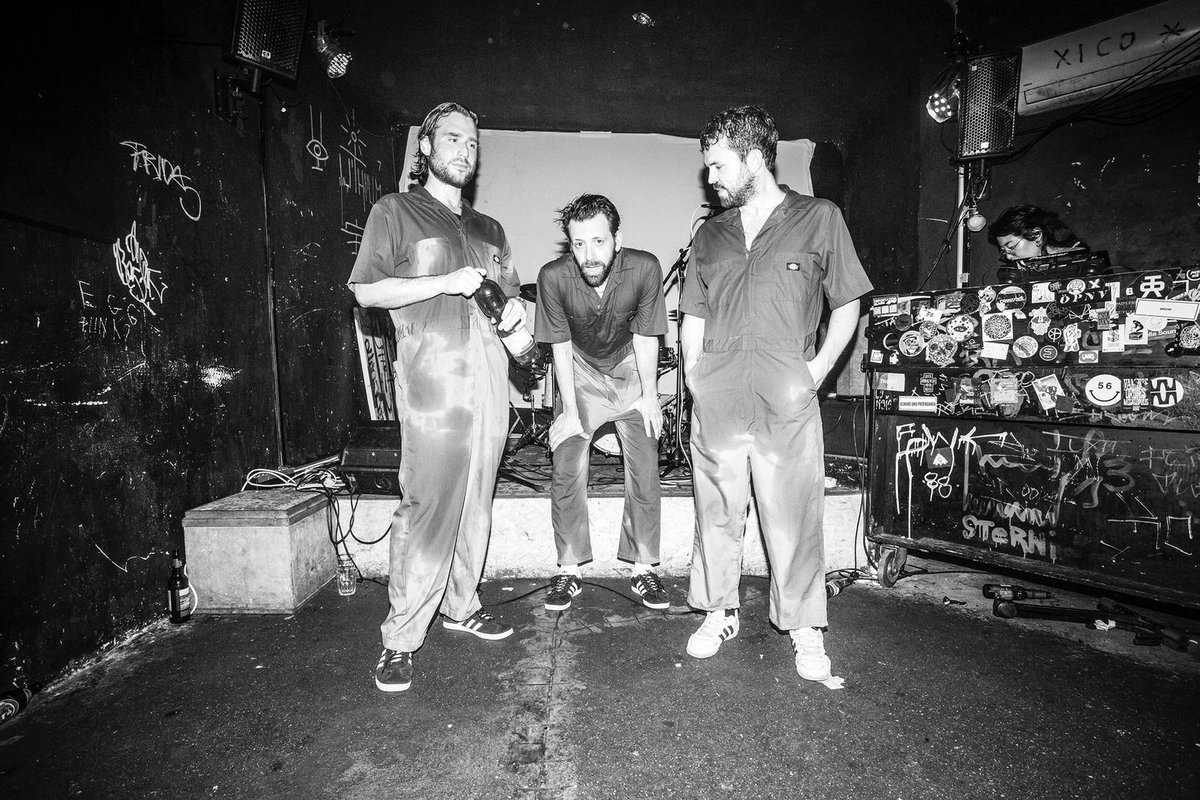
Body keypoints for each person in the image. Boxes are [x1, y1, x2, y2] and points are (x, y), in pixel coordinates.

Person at [679, 105, 873, 682]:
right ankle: (718, 611)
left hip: (785, 394)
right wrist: (693, 376)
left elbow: (847, 302)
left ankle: (804, 624)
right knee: (715, 510)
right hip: (717, 393)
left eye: (719, 165)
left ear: (754, 158)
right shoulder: (710, 234)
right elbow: (693, 314)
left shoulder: (819, 217)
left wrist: (817, 370)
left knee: (793, 513)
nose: (711, 177)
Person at [348, 101, 527, 693]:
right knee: (427, 503)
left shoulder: (490, 229)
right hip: (433, 381)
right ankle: (401, 637)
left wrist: (516, 312)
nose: (464, 150)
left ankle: (461, 604)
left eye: (472, 143)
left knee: (478, 500)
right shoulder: (394, 211)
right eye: (452, 139)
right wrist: (444, 282)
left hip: (491, 378)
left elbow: (508, 293)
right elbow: (367, 292)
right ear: (425, 147)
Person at [534, 194, 671, 611]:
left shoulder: (645, 268)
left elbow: (646, 336)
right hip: (578, 368)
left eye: (598, 241)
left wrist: (650, 397)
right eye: (579, 244)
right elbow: (559, 345)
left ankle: (643, 567)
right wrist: (570, 412)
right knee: (566, 458)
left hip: (629, 364)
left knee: (645, 459)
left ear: (617, 240)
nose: (589, 255)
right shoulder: (553, 277)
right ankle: (569, 568)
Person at [987, 204, 1087, 263]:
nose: (1008, 257)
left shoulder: (1078, 258)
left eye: (1011, 247)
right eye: (1004, 251)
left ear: (1036, 235)